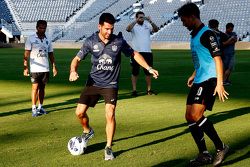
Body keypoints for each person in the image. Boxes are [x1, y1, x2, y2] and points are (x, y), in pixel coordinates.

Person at [69, 13, 158, 160]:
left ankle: (108, 147)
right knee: (79, 113)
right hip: (93, 82)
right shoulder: (90, 41)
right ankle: (87, 130)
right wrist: (73, 70)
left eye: (112, 29)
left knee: (110, 114)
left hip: (110, 84)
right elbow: (77, 59)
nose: (110, 32)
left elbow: (134, 54)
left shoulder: (118, 41)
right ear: (99, 26)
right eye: (107, 29)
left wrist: (148, 68)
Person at [178, 3, 229, 167]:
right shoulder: (194, 34)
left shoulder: (208, 34)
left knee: (197, 115)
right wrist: (194, 74)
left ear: (193, 17)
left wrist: (220, 84)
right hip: (200, 78)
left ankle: (221, 147)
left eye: (184, 20)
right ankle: (204, 154)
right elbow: (202, 57)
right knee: (189, 116)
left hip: (210, 80)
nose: (183, 23)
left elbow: (217, 59)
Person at [23, 20, 58, 117]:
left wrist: (54, 66)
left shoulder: (48, 39)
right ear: (37, 27)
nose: (42, 29)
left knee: (42, 88)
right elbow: (26, 54)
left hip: (45, 68)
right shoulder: (31, 38)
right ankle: (33, 108)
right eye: (40, 28)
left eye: (44, 28)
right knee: (35, 88)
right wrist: (25, 67)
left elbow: (51, 53)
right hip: (34, 68)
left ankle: (40, 107)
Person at [126, 11, 158, 96]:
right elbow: (128, 29)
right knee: (135, 72)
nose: (142, 19)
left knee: (148, 72)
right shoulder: (134, 26)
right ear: (136, 18)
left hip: (147, 52)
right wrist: (136, 21)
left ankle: (149, 90)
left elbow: (156, 29)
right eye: (140, 17)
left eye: (143, 17)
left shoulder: (147, 25)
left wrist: (150, 21)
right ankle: (134, 90)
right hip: (136, 52)